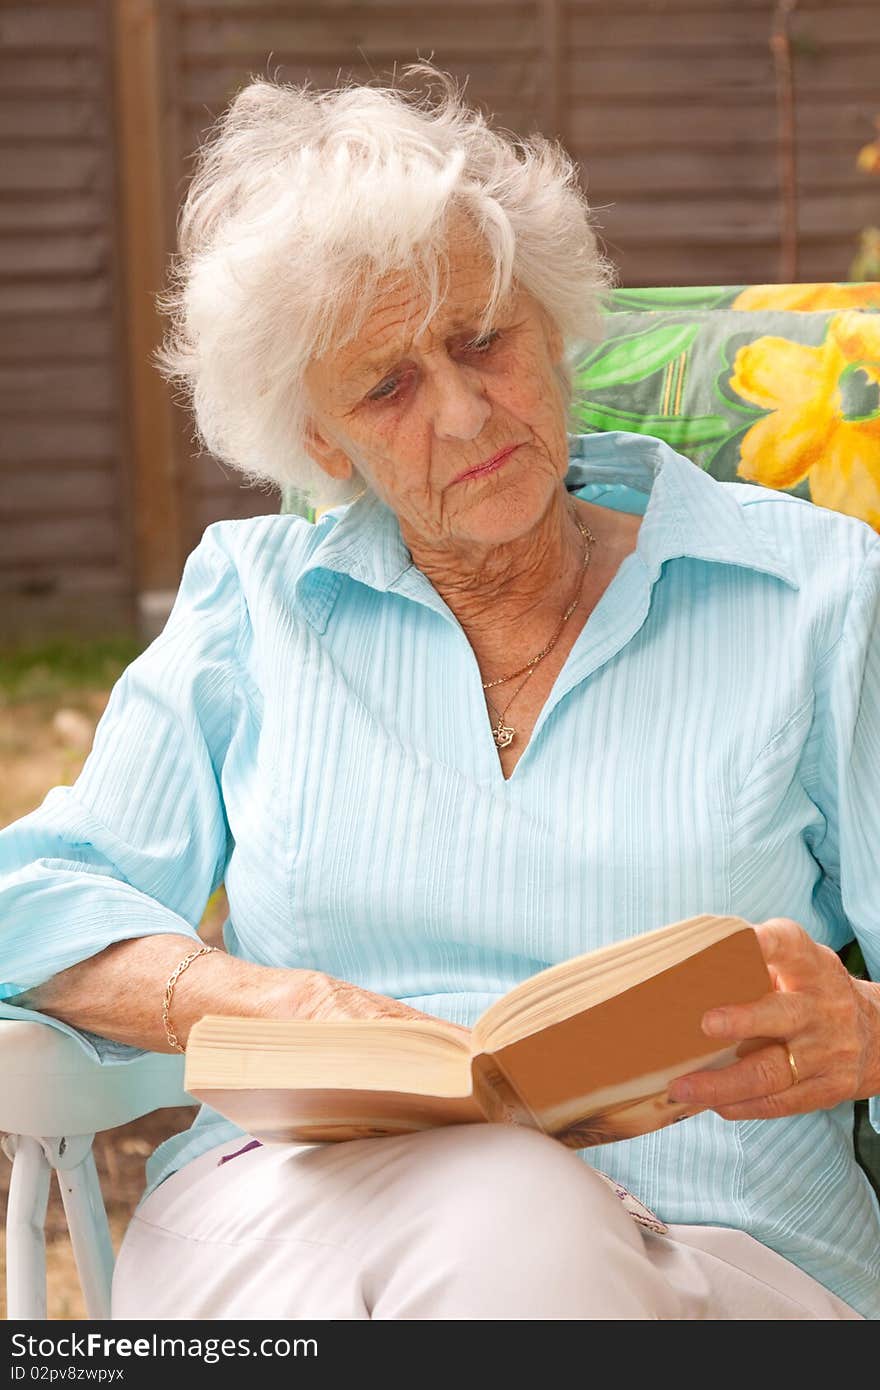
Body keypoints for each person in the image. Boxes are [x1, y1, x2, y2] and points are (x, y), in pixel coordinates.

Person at [1, 66, 878, 1321]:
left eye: (483, 341)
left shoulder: (815, 594)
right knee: (501, 1211)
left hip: (723, 1256)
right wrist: (262, 1000)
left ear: (552, 318)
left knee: (514, 1219)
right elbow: (32, 898)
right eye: (388, 387)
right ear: (320, 442)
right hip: (305, 1221)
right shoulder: (256, 607)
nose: (465, 414)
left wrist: (859, 1027)